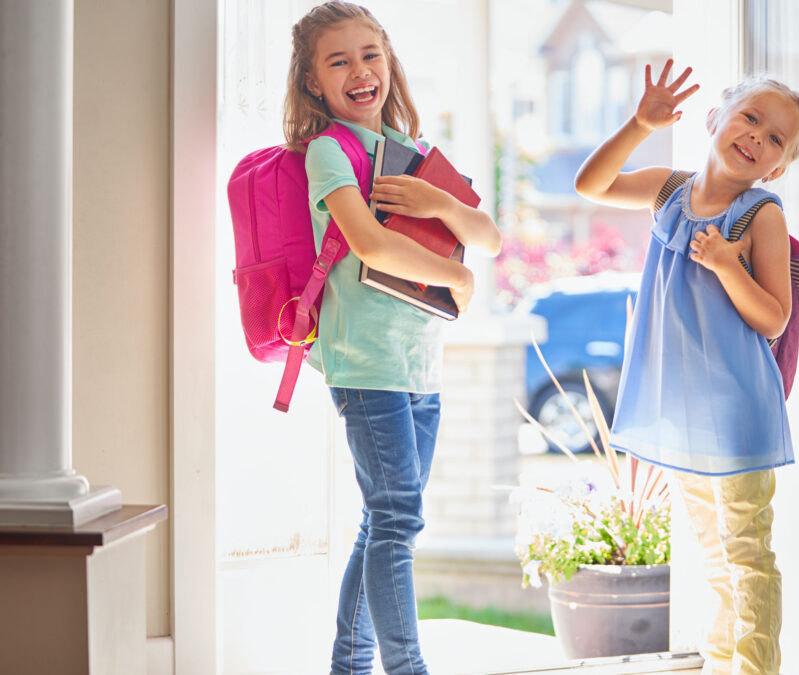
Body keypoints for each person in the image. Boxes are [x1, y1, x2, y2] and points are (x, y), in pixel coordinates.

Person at [283, 3, 502, 673]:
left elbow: (488, 238)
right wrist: (453, 280)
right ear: (314, 82)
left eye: (370, 55)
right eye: (338, 60)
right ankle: (406, 667)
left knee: (384, 521)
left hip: (417, 362)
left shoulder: (412, 155)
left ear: (389, 61)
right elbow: (370, 241)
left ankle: (349, 665)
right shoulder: (329, 151)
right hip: (365, 359)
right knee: (398, 518)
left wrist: (440, 205)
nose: (360, 71)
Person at [575, 60, 799, 675]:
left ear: (777, 166)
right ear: (716, 119)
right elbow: (591, 186)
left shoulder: (762, 216)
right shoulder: (668, 190)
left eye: (775, 138)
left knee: (747, 554)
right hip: (682, 406)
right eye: (751, 117)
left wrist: (729, 266)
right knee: (713, 556)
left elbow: (775, 319)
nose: (758, 135)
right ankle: (722, 663)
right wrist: (638, 124)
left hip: (736, 410)